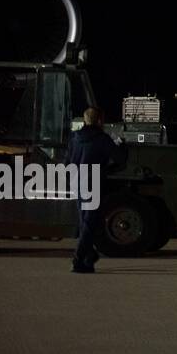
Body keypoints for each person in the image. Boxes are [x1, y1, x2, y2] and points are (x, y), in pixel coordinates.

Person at [67, 107, 121, 274]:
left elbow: (67, 162)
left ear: (84, 120)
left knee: (85, 221)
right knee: (90, 223)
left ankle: (89, 258)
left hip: (77, 182)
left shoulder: (75, 138)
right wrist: (121, 147)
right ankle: (78, 259)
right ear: (99, 121)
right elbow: (119, 158)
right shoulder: (102, 139)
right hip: (93, 183)